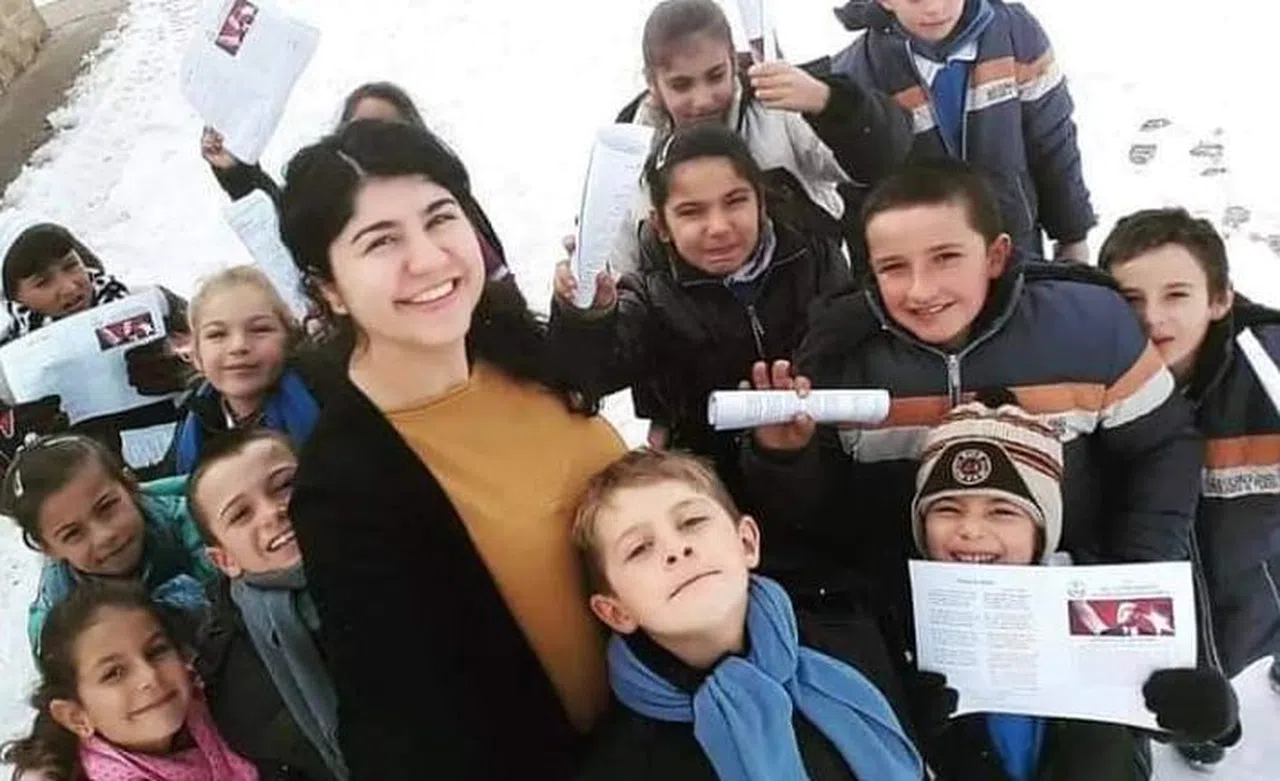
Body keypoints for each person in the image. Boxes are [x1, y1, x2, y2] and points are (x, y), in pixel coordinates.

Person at [277, 119, 626, 779]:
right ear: (329, 289)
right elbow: (401, 728)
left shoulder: (511, 345)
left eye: (440, 218)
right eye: (381, 241)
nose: (430, 258)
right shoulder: (347, 487)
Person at [741, 159, 1201, 631]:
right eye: (894, 267)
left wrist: (1130, 577)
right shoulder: (839, 356)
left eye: (945, 258)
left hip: (1070, 606)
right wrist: (783, 457)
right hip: (912, 620)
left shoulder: (1089, 325)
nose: (921, 290)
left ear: (995, 256)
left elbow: (1163, 447)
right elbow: (820, 515)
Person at [912, 399, 1238, 780]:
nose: (970, 530)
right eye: (947, 509)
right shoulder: (900, 613)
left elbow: (1161, 700)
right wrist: (916, 720)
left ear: (1042, 528)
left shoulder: (1104, 597)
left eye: (1002, 511)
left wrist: (1209, 711)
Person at [551, 123, 850, 510]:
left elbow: (849, 352)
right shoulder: (651, 296)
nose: (719, 227)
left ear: (760, 202)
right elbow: (588, 376)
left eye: (735, 202)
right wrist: (588, 315)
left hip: (820, 472)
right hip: (710, 491)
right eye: (691, 212)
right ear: (661, 226)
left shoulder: (815, 260)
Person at [1099, 207, 1280, 769]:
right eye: (1130, 299)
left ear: (1220, 299)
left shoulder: (1270, 367)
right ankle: (1202, 727)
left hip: (1262, 576)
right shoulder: (1091, 384)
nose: (1152, 317)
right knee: (1195, 691)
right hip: (1173, 603)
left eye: (1176, 295)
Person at [609, 0, 913, 273]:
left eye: (715, 76)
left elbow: (880, 161)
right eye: (681, 85)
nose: (702, 99)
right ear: (652, 82)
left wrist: (829, 102)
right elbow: (622, 270)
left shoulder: (780, 107)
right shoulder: (627, 154)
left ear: (733, 60)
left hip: (813, 302)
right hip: (690, 316)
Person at [831, 0, 1094, 262]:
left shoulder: (1016, 34)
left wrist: (1073, 235)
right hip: (926, 265)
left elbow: (1052, 140)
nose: (934, 8)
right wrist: (874, 277)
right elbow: (860, 199)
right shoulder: (854, 77)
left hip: (1017, 249)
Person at [200, 81, 511, 282]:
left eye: (389, 130)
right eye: (380, 240)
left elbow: (502, 290)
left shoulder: (452, 200)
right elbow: (288, 222)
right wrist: (236, 171)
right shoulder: (331, 205)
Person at [188, 428, 345, 781]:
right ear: (225, 560)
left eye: (285, 485)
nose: (273, 512)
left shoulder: (402, 557)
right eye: (241, 514)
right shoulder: (231, 666)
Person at [0, 583, 259, 781]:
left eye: (156, 651)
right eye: (114, 673)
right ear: (77, 717)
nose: (149, 677)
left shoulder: (208, 703)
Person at [0, 214, 196, 476]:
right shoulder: (7, 367)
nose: (70, 287)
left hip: (187, 453)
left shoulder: (151, 303)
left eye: (71, 265)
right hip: (88, 483)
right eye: (43, 282)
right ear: (14, 298)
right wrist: (15, 436)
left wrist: (190, 365)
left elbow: (221, 347)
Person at [0, 434, 215, 653]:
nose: (104, 536)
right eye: (73, 534)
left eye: (107, 507)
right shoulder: (56, 628)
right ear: (48, 548)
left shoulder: (208, 525)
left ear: (129, 486)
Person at [167, 266, 321, 474]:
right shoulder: (192, 426)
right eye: (217, 334)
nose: (239, 346)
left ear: (289, 339)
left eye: (260, 329)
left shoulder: (328, 400)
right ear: (197, 355)